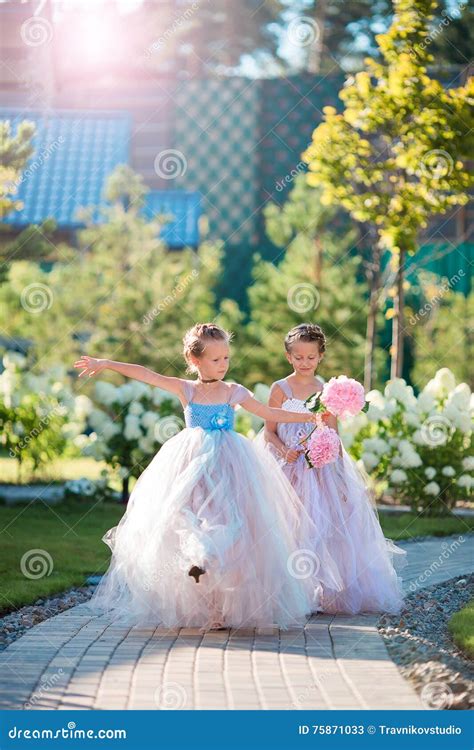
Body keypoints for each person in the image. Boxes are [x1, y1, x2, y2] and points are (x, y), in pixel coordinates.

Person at [73, 322, 338, 631]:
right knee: (186, 515)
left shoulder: (233, 391)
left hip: (231, 466)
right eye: (216, 359)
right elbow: (146, 374)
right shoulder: (187, 389)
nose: (223, 365)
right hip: (191, 464)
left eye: (226, 358)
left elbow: (269, 414)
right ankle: (199, 570)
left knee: (233, 523)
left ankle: (217, 601)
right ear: (194, 360)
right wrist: (105, 364)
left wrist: (309, 415)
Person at [258, 322, 406, 615]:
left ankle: (321, 592)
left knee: (321, 527)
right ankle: (289, 593)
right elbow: (268, 431)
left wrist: (339, 475)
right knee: (287, 525)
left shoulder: (325, 391)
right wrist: (284, 450)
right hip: (285, 467)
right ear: (289, 357)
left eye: (310, 357)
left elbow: (332, 433)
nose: (304, 362)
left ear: (321, 356)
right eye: (298, 357)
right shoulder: (280, 389)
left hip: (317, 468)